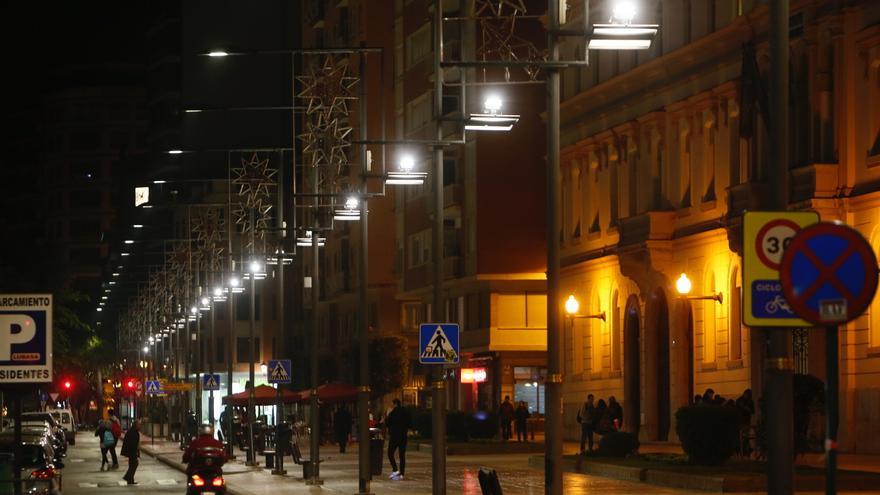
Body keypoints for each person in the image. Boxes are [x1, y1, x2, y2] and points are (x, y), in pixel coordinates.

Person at [385, 399, 410, 481]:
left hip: (394, 436)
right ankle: (402, 473)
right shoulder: (405, 411)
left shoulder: (393, 413)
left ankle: (395, 469)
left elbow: (387, 424)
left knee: (390, 453)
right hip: (403, 436)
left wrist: (388, 414)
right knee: (402, 455)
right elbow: (409, 423)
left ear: (394, 404)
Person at [120, 420, 141, 485]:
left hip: (131, 451)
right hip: (131, 451)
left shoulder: (133, 431)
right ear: (135, 425)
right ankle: (128, 478)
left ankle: (129, 479)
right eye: (139, 425)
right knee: (134, 464)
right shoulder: (133, 432)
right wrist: (136, 452)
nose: (140, 426)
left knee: (133, 465)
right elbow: (133, 444)